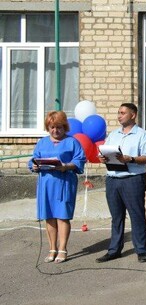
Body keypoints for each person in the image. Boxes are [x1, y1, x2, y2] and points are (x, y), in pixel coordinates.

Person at [96, 103, 146, 263]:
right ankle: (114, 250)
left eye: (123, 113)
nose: (119, 116)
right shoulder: (113, 135)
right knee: (116, 217)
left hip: (132, 179)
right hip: (113, 178)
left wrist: (131, 158)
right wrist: (102, 158)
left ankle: (141, 250)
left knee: (136, 215)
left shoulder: (142, 135)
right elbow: (106, 152)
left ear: (133, 115)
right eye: (118, 113)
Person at [29, 111, 86, 263]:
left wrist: (66, 166)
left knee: (62, 216)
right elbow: (33, 159)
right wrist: (33, 166)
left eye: (59, 127)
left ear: (65, 127)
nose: (55, 130)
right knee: (49, 216)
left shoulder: (72, 142)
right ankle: (52, 248)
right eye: (52, 127)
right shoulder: (42, 142)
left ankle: (63, 249)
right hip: (46, 183)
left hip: (64, 183)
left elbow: (80, 160)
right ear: (48, 127)